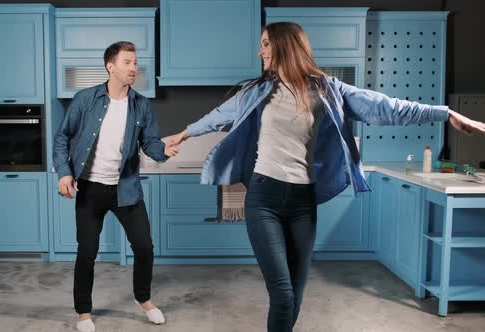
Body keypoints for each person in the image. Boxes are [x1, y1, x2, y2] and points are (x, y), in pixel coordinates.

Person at [166, 22, 485, 332]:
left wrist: (446, 113)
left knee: (296, 294)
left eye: (265, 43)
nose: (259, 50)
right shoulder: (256, 92)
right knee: (282, 293)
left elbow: (388, 108)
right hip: (264, 199)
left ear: (285, 45)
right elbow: (219, 116)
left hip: (303, 204)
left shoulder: (329, 90)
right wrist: (183, 134)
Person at [54, 41, 177, 332]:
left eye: (135, 63)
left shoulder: (141, 104)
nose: (134, 68)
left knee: (144, 247)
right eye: (127, 62)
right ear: (111, 66)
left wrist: (164, 149)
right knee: (87, 252)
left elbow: (149, 143)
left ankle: (143, 299)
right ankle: (83, 312)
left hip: (126, 188)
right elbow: (62, 137)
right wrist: (64, 173)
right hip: (89, 188)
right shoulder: (86, 98)